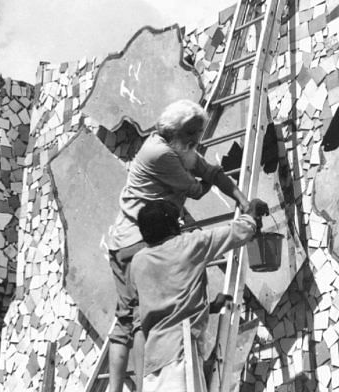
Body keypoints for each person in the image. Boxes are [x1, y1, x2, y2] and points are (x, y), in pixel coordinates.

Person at [105, 99, 265, 392]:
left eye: (198, 135)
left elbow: (211, 174)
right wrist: (245, 213)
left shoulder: (178, 147)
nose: (196, 141)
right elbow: (196, 189)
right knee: (138, 323)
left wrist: (241, 200)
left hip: (126, 242)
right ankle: (135, 387)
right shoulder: (160, 153)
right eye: (191, 134)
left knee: (130, 319)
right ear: (173, 128)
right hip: (139, 238)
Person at [128, 198, 268, 391]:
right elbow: (237, 232)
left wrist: (209, 307)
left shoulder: (138, 263)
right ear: (171, 225)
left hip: (152, 367)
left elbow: (163, 311)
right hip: (179, 355)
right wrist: (252, 213)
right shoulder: (188, 244)